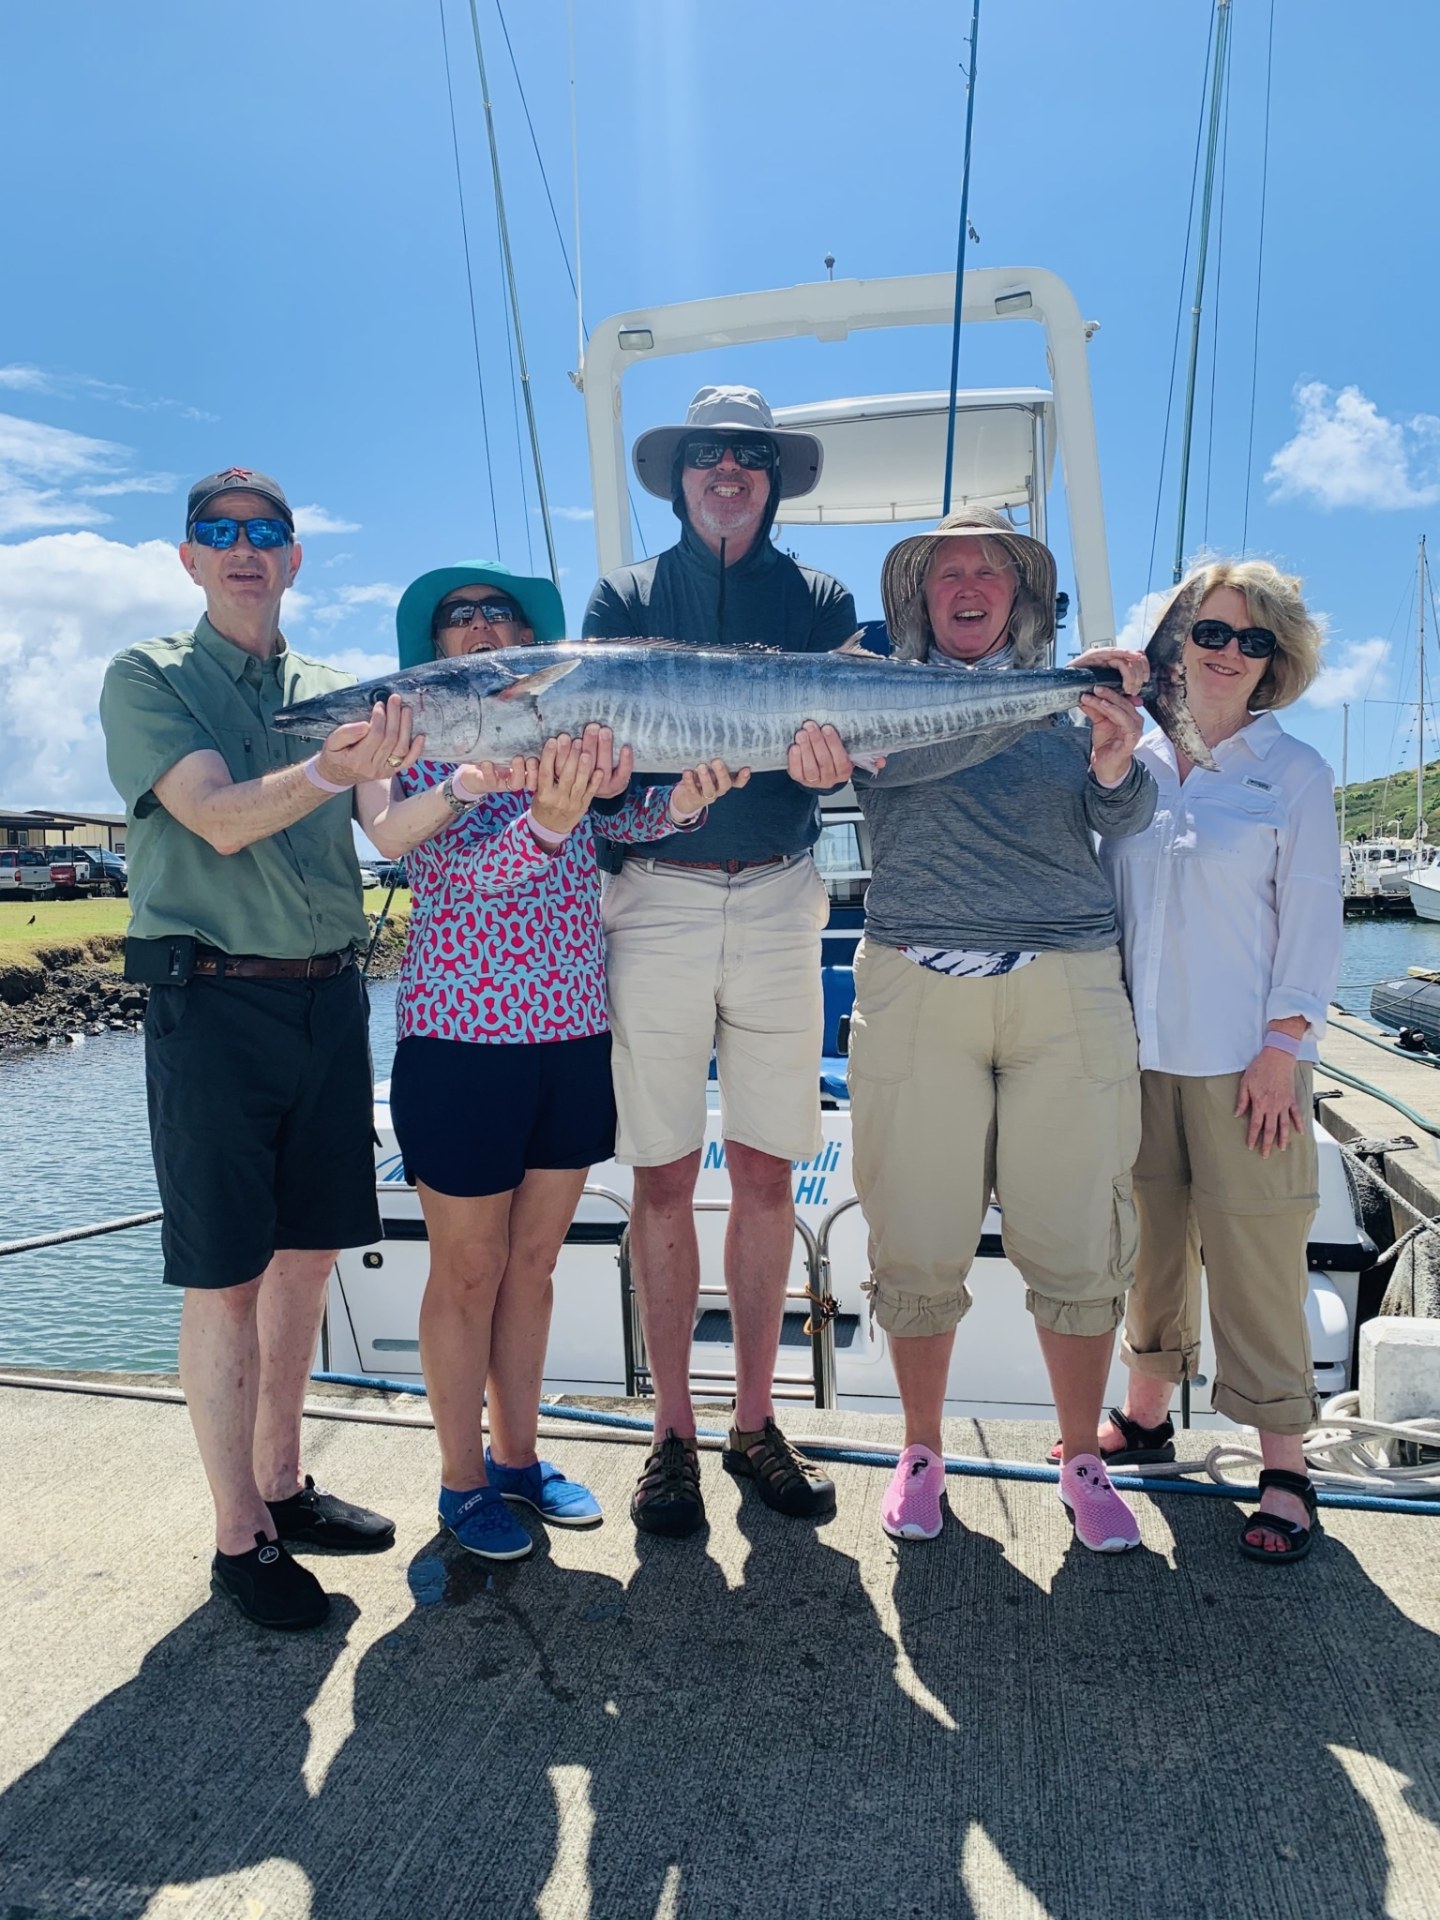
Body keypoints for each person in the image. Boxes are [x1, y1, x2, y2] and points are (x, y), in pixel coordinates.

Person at [356, 564, 745, 1561]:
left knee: (533, 1267)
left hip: (571, 1034)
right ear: (430, 645)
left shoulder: (566, 731)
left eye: (505, 617)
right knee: (469, 1267)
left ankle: (520, 1461)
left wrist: (683, 804)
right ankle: (459, 1479)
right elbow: (445, 868)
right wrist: (547, 823)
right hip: (460, 1042)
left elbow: (615, 827)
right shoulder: (401, 749)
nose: (485, 628)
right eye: (461, 616)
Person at [99, 467, 418, 1632]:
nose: (243, 548)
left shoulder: (342, 689)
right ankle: (239, 1538)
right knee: (226, 1278)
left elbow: (386, 825)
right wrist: (333, 767)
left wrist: (478, 782)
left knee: (306, 1263)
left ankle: (283, 1484)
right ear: (188, 558)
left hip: (330, 1000)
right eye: (218, 533)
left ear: (295, 556)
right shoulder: (148, 678)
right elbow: (220, 817)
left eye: (265, 533)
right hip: (213, 1006)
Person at [829, 506, 1156, 1552]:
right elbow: (900, 768)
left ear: (1020, 592)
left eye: (989, 570)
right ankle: (919, 1451)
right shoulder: (873, 694)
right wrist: (1038, 702)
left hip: (1066, 983)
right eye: (947, 572)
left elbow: (1121, 817)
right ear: (920, 597)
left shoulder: (1079, 699)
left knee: (1075, 1238)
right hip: (917, 979)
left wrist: (1113, 756)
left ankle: (1081, 1454)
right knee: (917, 1239)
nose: (968, 585)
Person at [582, 385, 856, 1539]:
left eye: (750, 453)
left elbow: (832, 754)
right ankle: (672, 1437)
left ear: (775, 474)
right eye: (708, 454)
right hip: (658, 901)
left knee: (762, 1169)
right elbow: (601, 763)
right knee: (657, 1168)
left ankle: (754, 1421)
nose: (729, 470)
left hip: (787, 896)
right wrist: (632, 783)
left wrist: (834, 760)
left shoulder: (822, 597)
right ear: (679, 475)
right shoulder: (625, 597)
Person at [1080, 559, 1341, 1562]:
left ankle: (1285, 1466)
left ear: (1276, 662)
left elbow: (1314, 927)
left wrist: (1284, 1050)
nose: (1230, 653)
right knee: (1149, 1250)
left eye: (1254, 640)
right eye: (1213, 634)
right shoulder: (1132, 758)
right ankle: (1148, 1413)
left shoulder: (1297, 774)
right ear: (1179, 644)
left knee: (1257, 1262)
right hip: (1139, 1057)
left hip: (1248, 1067)